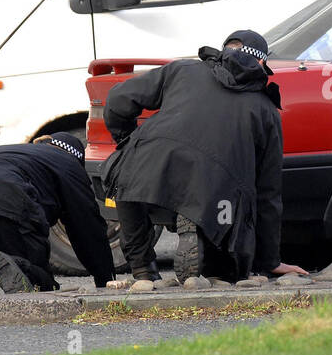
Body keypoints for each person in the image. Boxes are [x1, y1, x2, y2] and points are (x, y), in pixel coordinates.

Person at [103, 30, 306, 288]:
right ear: (262, 64)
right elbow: (268, 193)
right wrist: (269, 260)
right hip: (214, 190)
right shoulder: (265, 109)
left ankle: (143, 271)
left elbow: (118, 100)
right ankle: (205, 250)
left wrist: (126, 140)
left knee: (127, 174)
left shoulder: (183, 70)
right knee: (226, 235)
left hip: (149, 164)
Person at [0, 133, 114, 315]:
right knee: (41, 285)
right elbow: (86, 225)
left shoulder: (9, 152)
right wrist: (105, 278)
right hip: (5, 194)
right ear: (76, 157)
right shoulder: (68, 164)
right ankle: (21, 267)